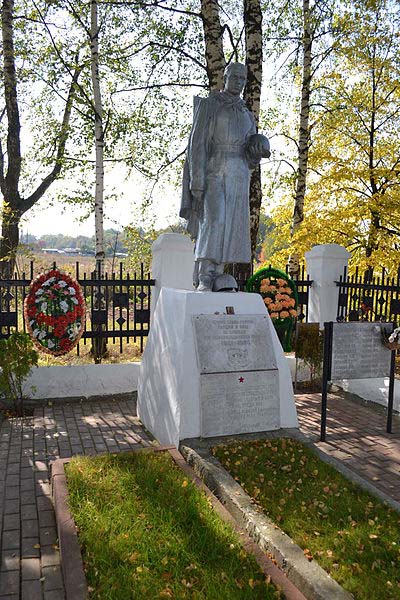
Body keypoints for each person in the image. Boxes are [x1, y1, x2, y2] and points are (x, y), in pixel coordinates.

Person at [180, 62, 270, 291]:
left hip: (239, 174)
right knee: (215, 220)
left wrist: (257, 152)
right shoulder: (211, 105)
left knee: (232, 225)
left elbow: (250, 154)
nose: (239, 82)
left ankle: (219, 273)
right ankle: (204, 275)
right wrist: (196, 180)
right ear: (226, 77)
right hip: (215, 169)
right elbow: (197, 144)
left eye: (243, 78)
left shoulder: (246, 113)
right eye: (235, 77)